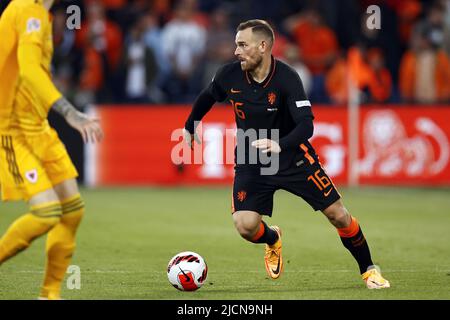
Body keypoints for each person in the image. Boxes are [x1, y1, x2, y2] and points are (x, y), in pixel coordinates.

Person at [183, 19, 390, 289]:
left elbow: (307, 124)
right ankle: (272, 239)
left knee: (338, 215)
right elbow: (208, 96)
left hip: (292, 156)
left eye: (242, 45)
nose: (236, 51)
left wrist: (280, 143)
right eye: (236, 45)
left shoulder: (287, 77)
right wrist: (191, 124)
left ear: (263, 46)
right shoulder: (228, 75)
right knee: (245, 226)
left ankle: (369, 270)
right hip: (252, 157)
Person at [0, 0, 103, 299]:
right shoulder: (25, 11)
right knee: (46, 214)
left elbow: (34, 75)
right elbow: (30, 70)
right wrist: (71, 113)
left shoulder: (42, 15)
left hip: (39, 128)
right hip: (12, 130)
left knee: (72, 212)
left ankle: (49, 294)